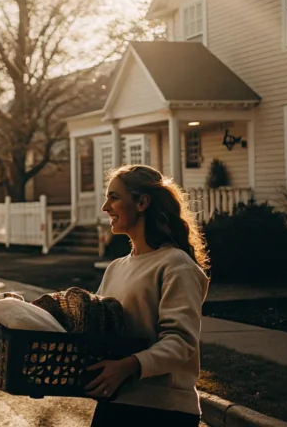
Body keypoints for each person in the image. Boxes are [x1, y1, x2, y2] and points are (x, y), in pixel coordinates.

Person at [84, 165, 210, 427]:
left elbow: (181, 342)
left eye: (114, 197)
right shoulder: (116, 268)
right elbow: (93, 328)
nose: (105, 207)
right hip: (115, 404)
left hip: (162, 412)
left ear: (142, 202)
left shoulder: (176, 265)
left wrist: (129, 366)